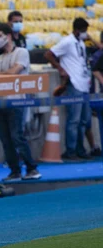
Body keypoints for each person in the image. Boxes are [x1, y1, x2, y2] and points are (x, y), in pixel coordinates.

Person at [0, 25, 41, 181]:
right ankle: (15, 171)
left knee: (17, 136)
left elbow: (14, 72)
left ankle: (31, 168)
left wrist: (0, 75)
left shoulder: (22, 52)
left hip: (16, 101)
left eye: (0, 35)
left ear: (9, 36)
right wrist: (1, 75)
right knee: (6, 140)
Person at [44, 18, 92, 160]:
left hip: (84, 84)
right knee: (74, 120)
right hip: (73, 84)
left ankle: (80, 149)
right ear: (77, 30)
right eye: (83, 31)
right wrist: (60, 68)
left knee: (84, 120)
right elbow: (48, 54)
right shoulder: (67, 41)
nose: (85, 34)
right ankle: (70, 150)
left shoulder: (80, 42)